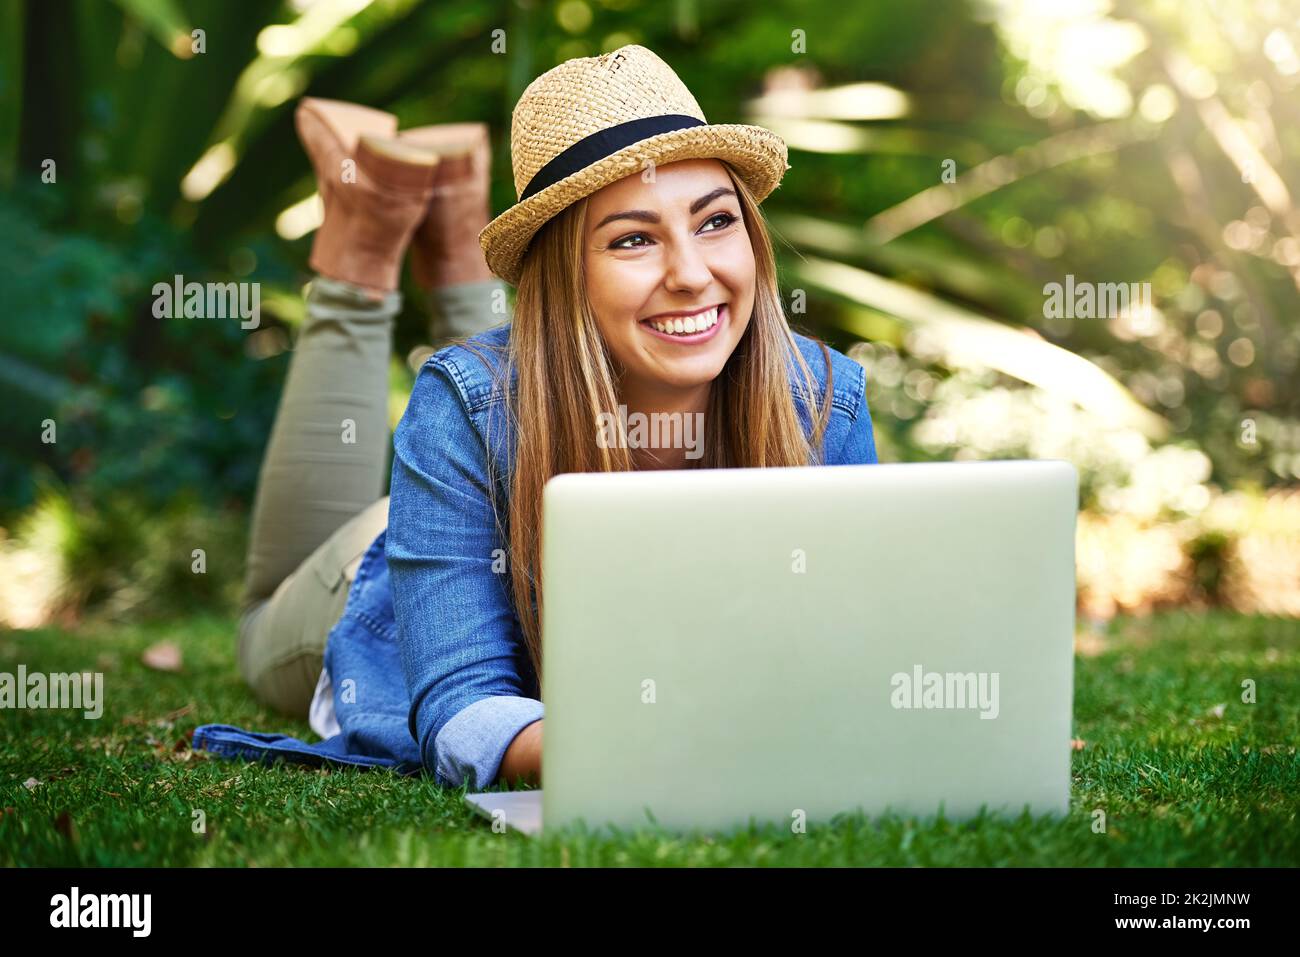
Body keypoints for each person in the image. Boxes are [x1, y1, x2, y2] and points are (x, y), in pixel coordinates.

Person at [193, 44, 878, 792]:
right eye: (634, 239)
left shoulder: (823, 397)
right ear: (564, 275)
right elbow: (460, 702)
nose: (691, 274)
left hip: (494, 453)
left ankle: (458, 216)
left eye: (714, 222)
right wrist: (637, 743)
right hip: (386, 578)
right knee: (263, 622)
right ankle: (367, 233)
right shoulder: (464, 405)